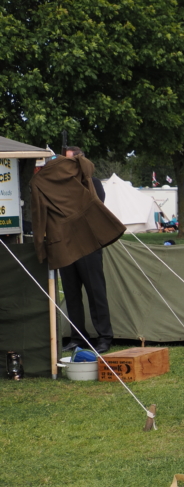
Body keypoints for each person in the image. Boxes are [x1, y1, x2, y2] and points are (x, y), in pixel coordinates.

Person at [32, 146, 122, 353]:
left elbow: (96, 207)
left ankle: (104, 336)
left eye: (70, 163)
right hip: (63, 244)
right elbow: (40, 217)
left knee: (95, 291)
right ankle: (78, 336)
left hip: (88, 243)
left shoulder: (92, 183)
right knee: (72, 294)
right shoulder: (43, 185)